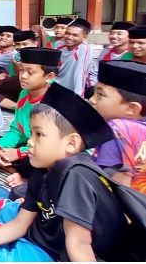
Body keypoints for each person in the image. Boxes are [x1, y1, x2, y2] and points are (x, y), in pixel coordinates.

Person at [0, 82, 139, 263]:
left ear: (71, 143)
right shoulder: (42, 169)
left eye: (39, 134)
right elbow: (20, 223)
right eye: (32, 134)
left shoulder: (77, 174)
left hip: (62, 251)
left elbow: (79, 246)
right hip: (45, 233)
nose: (29, 142)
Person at [0, 48, 60, 183]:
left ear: (49, 77)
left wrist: (19, 153)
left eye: (30, 72)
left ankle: (20, 173)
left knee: (43, 165)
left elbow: (54, 144)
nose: (23, 76)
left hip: (47, 151)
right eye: (21, 70)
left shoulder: (57, 100)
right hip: (27, 144)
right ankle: (12, 169)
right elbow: (17, 129)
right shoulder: (24, 94)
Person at [90, 60, 146, 195]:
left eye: (100, 95)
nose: (92, 99)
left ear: (131, 108)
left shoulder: (117, 130)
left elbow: (118, 190)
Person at [0, 30, 37, 110]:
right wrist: (4, 75)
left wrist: (19, 68)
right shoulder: (16, 56)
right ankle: (17, 107)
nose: (21, 47)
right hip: (17, 88)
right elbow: (12, 77)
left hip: (34, 88)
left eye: (24, 44)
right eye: (17, 44)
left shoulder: (41, 57)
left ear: (35, 44)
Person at [87, 21, 132, 90]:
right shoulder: (106, 51)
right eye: (111, 33)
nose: (114, 36)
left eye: (119, 34)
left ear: (130, 36)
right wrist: (93, 87)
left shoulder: (133, 54)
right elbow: (94, 73)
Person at [54, 18, 93, 97]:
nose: (69, 37)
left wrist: (78, 98)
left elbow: (80, 74)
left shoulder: (84, 49)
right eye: (67, 33)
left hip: (71, 90)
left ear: (84, 37)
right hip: (55, 87)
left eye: (75, 35)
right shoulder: (58, 44)